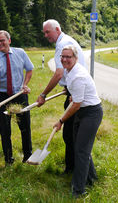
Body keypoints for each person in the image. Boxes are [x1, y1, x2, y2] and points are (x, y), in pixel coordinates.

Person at [37, 19, 86, 174]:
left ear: (57, 29)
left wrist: (43, 94)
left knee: (71, 134)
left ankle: (73, 170)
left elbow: (59, 73)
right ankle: (73, 168)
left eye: (47, 32)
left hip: (76, 93)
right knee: (71, 133)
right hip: (72, 89)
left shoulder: (62, 44)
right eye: (44, 32)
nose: (45, 35)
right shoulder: (67, 40)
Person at [53, 45, 102, 198]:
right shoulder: (70, 71)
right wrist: (73, 94)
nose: (64, 59)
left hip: (91, 113)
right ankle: (91, 179)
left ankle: (78, 190)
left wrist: (61, 120)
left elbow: (75, 105)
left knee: (81, 151)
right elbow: (75, 99)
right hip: (82, 111)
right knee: (81, 147)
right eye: (63, 56)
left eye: (68, 57)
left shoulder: (77, 76)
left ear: (75, 58)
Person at [0, 30, 34, 165]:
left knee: (25, 126)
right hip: (2, 96)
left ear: (9, 40)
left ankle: (28, 156)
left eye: (2, 40)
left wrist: (25, 85)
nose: (0, 43)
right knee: (4, 129)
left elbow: (29, 69)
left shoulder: (20, 53)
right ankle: (8, 159)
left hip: (19, 94)